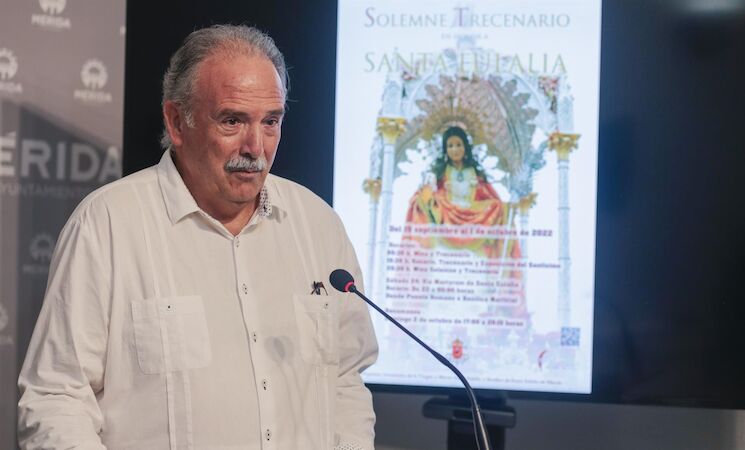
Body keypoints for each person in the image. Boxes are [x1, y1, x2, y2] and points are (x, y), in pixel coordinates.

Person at [17, 25, 377, 450]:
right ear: (177, 121)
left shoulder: (319, 226)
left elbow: (345, 381)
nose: (256, 147)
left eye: (271, 122)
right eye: (232, 121)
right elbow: (56, 398)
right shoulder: (107, 225)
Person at [405, 126, 520, 259]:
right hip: (447, 215)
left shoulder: (475, 174)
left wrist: (506, 208)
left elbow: (488, 195)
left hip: (473, 217)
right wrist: (427, 195)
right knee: (434, 200)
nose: (455, 150)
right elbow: (427, 194)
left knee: (498, 206)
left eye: (458, 145)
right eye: (450, 146)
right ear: (445, 150)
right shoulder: (440, 173)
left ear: (465, 147)